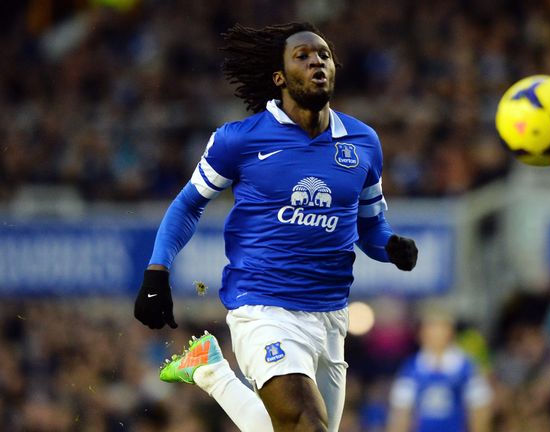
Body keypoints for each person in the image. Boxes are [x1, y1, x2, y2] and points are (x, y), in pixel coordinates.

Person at [133, 22, 418, 432]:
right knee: (306, 423)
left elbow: (371, 227)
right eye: (302, 55)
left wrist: (391, 246)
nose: (317, 60)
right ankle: (212, 370)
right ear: (279, 77)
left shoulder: (363, 142)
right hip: (263, 306)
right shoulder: (239, 140)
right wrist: (157, 270)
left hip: (331, 314)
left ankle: (210, 370)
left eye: (323, 54)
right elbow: (188, 204)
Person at [386, 306, 492, 432]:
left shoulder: (466, 368)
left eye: (440, 327)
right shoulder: (412, 369)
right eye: (431, 327)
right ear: (422, 333)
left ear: (450, 331)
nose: (436, 333)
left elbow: (479, 410)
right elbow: (401, 413)